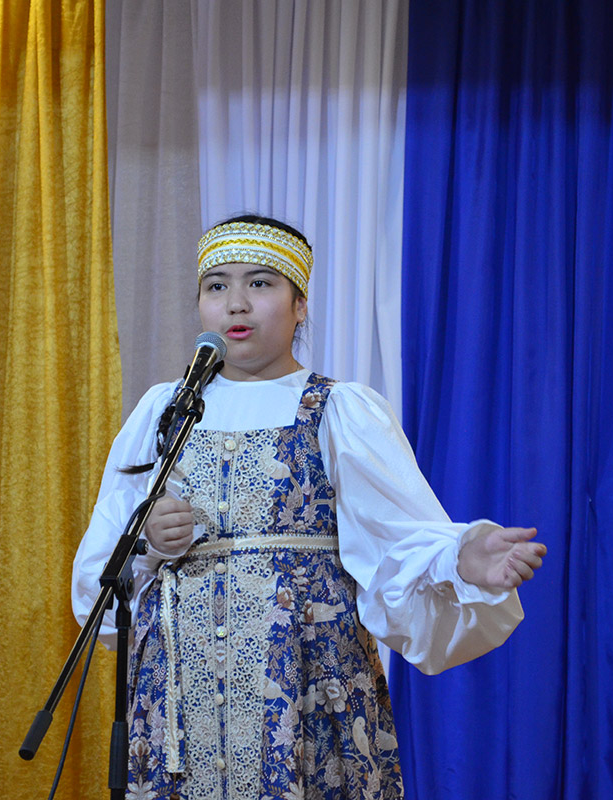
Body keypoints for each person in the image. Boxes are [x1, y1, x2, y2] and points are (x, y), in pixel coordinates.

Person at [72, 214, 546, 800]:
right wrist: (148, 545)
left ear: (299, 305)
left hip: (306, 684)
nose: (236, 303)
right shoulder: (164, 412)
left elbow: (399, 539)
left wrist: (461, 558)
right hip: (179, 696)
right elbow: (98, 581)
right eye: (217, 285)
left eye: (260, 283)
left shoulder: (338, 409)